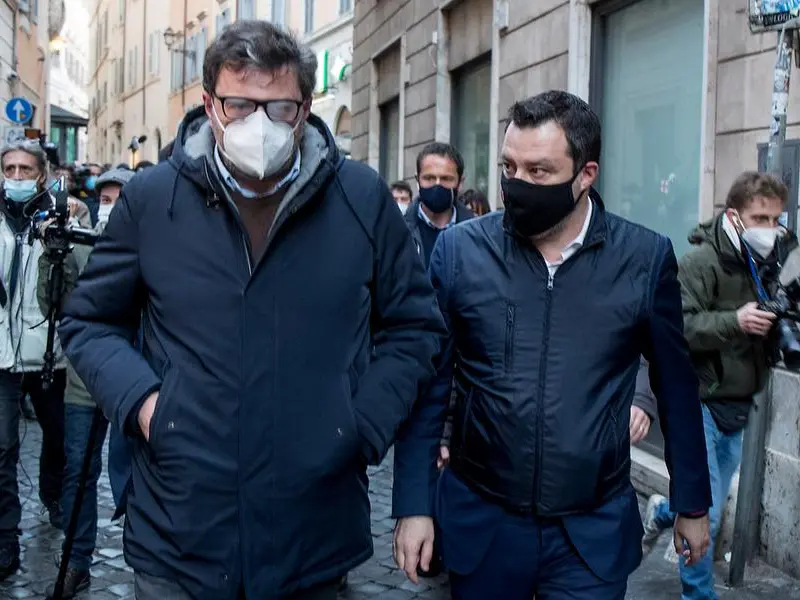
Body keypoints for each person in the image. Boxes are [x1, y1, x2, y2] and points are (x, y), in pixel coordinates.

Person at [58, 20, 444, 600]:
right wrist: (145, 405)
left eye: (278, 107)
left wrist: (360, 424)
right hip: (180, 529)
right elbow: (89, 321)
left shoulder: (360, 198)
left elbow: (414, 326)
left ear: (305, 108)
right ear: (210, 105)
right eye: (239, 104)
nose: (257, 123)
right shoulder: (152, 200)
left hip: (311, 532)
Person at [392, 91, 712, 600]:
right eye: (509, 167)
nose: (517, 184)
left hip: (590, 535)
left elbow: (676, 386)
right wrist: (414, 504)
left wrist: (691, 502)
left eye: (538, 171)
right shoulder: (459, 252)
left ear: (586, 175)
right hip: (484, 524)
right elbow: (429, 386)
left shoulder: (644, 259)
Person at [641, 171, 793, 600]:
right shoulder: (700, 262)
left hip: (739, 402)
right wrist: (735, 321)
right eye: (760, 218)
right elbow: (678, 327)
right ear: (734, 216)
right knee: (704, 513)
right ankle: (698, 595)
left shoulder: (772, 262)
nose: (769, 229)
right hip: (700, 401)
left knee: (703, 505)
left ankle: (662, 510)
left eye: (776, 219)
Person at [37, 167, 134, 598]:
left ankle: (153, 564)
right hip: (85, 379)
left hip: (140, 379)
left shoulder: (157, 248)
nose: (111, 208)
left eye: (120, 200)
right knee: (78, 471)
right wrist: (51, 258)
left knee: (145, 474)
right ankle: (77, 561)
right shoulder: (81, 246)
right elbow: (52, 304)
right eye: (105, 200)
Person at [0, 140, 68, 581]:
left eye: (25, 169)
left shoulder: (60, 219)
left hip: (48, 355)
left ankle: (53, 496)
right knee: (3, 447)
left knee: (57, 438)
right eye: (9, 169)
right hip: (2, 356)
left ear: (41, 175)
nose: (17, 177)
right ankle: (6, 537)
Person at [405, 142, 474, 266]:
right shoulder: (399, 229)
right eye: (429, 178)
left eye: (446, 179)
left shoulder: (476, 233)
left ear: (460, 183)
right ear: (417, 180)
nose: (437, 185)